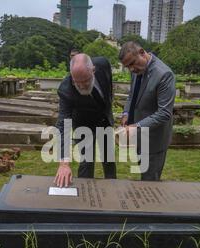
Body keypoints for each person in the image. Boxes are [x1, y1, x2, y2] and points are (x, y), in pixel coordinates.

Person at [54, 54, 117, 188]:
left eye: (86, 81)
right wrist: (64, 163)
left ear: (93, 70)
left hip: (104, 119)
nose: (82, 86)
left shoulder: (103, 64)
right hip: (83, 123)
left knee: (108, 159)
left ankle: (113, 189)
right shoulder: (65, 90)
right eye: (77, 82)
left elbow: (109, 86)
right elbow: (63, 124)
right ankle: (85, 193)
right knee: (87, 162)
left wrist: (109, 107)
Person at [119, 42, 175, 181]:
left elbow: (164, 113)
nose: (131, 69)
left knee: (150, 183)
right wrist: (126, 113)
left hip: (154, 140)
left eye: (133, 63)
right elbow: (132, 94)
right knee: (144, 177)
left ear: (142, 52)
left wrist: (136, 126)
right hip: (139, 137)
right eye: (128, 67)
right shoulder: (137, 70)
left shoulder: (164, 74)